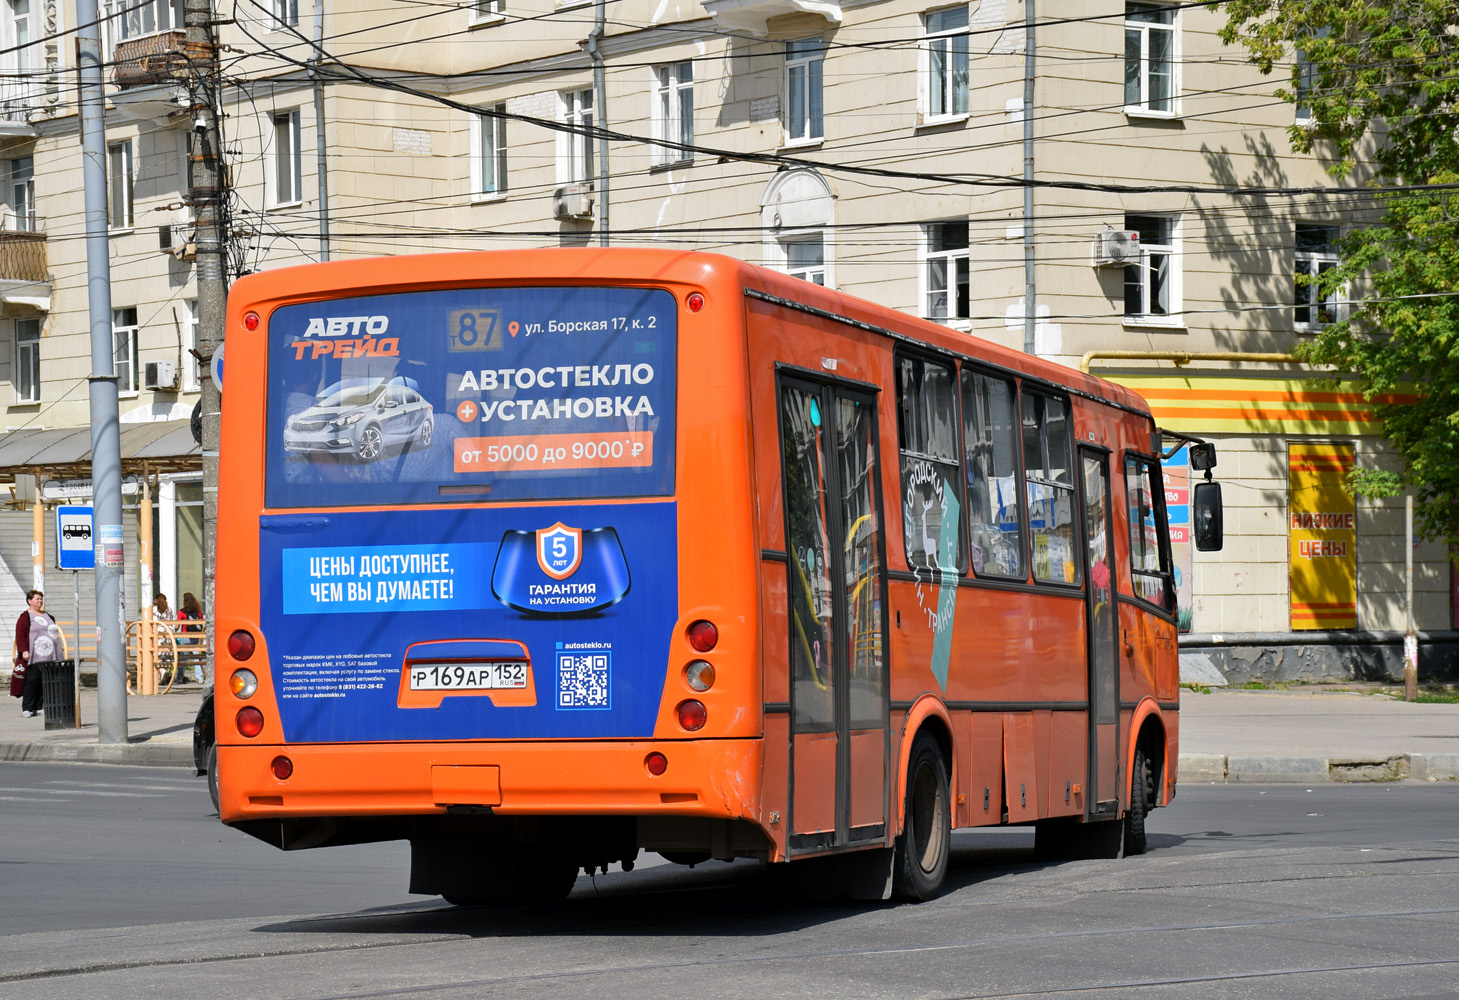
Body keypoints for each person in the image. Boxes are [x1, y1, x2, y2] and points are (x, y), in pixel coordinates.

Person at [13, 590, 58, 719]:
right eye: (37, 599)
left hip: (49, 655)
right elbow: (20, 635)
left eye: (41, 599)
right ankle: (27, 707)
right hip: (34, 655)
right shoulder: (25, 617)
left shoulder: (48, 616)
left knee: (44, 681)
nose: (40, 601)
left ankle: (39, 706)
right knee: (31, 681)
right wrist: (23, 651)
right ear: (29, 601)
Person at [176, 592, 203, 683]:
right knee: (197, 657)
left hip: (185, 636)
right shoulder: (198, 611)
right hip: (197, 637)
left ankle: (180, 677)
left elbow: (177, 627)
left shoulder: (181, 612)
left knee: (183, 657)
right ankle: (200, 678)